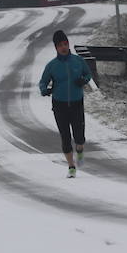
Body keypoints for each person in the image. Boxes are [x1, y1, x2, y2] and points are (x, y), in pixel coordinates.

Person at [38, 29, 92, 177]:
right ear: (56, 47)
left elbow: (88, 74)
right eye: (60, 45)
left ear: (68, 44)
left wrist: (84, 80)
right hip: (59, 104)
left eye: (65, 44)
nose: (63, 47)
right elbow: (43, 82)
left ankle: (79, 151)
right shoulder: (52, 65)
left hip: (76, 103)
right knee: (65, 136)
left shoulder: (78, 61)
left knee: (79, 136)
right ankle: (71, 167)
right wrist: (45, 90)